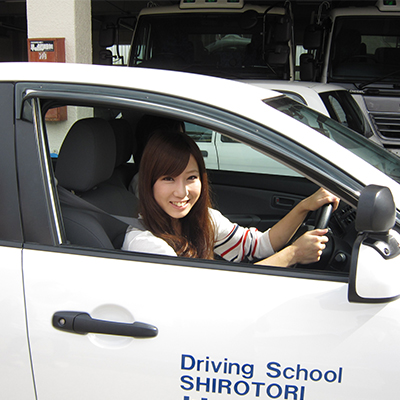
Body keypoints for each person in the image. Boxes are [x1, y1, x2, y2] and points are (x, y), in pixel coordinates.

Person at [122, 130, 340, 267]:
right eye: (168, 178)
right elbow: (216, 297)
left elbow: (259, 245)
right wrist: (293, 254)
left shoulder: (204, 220)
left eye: (191, 177)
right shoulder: (146, 245)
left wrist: (304, 207)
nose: (181, 192)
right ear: (148, 183)